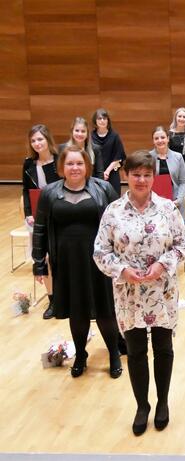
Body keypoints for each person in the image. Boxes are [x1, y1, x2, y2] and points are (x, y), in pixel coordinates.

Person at [94, 150, 185, 436]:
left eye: (147, 175)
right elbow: (100, 252)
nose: (141, 179)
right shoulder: (113, 212)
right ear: (126, 176)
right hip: (129, 294)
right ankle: (142, 405)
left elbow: (182, 245)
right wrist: (122, 271)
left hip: (162, 292)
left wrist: (163, 264)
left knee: (163, 348)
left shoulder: (168, 209)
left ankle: (162, 402)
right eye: (136, 174)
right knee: (135, 352)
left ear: (154, 177)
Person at [32, 145, 121, 379]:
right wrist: (38, 263)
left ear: (87, 166)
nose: (74, 168)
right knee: (77, 311)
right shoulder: (49, 193)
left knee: (105, 309)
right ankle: (81, 354)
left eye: (79, 163)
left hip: (99, 259)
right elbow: (40, 229)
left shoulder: (103, 188)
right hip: (67, 262)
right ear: (61, 167)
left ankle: (113, 353)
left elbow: (118, 224)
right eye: (70, 163)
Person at [22, 124, 60, 319]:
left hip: (60, 214)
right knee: (44, 258)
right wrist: (28, 212)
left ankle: (67, 296)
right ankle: (52, 300)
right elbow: (26, 192)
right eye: (33, 140)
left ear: (47, 140)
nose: (37, 143)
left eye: (40, 139)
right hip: (39, 217)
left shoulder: (58, 160)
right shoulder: (28, 164)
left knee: (62, 256)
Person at [149, 126, 185, 222]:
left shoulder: (178, 157)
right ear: (153, 141)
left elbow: (183, 181)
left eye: (162, 137)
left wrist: (179, 200)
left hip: (175, 202)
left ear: (168, 139)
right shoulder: (148, 157)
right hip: (154, 203)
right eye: (156, 138)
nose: (160, 140)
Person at [91, 108, 126, 194]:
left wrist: (107, 171)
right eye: (99, 118)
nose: (102, 121)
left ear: (108, 121)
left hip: (111, 173)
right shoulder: (90, 136)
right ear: (95, 121)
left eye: (104, 118)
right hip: (95, 174)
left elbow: (119, 155)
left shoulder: (114, 136)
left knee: (114, 199)